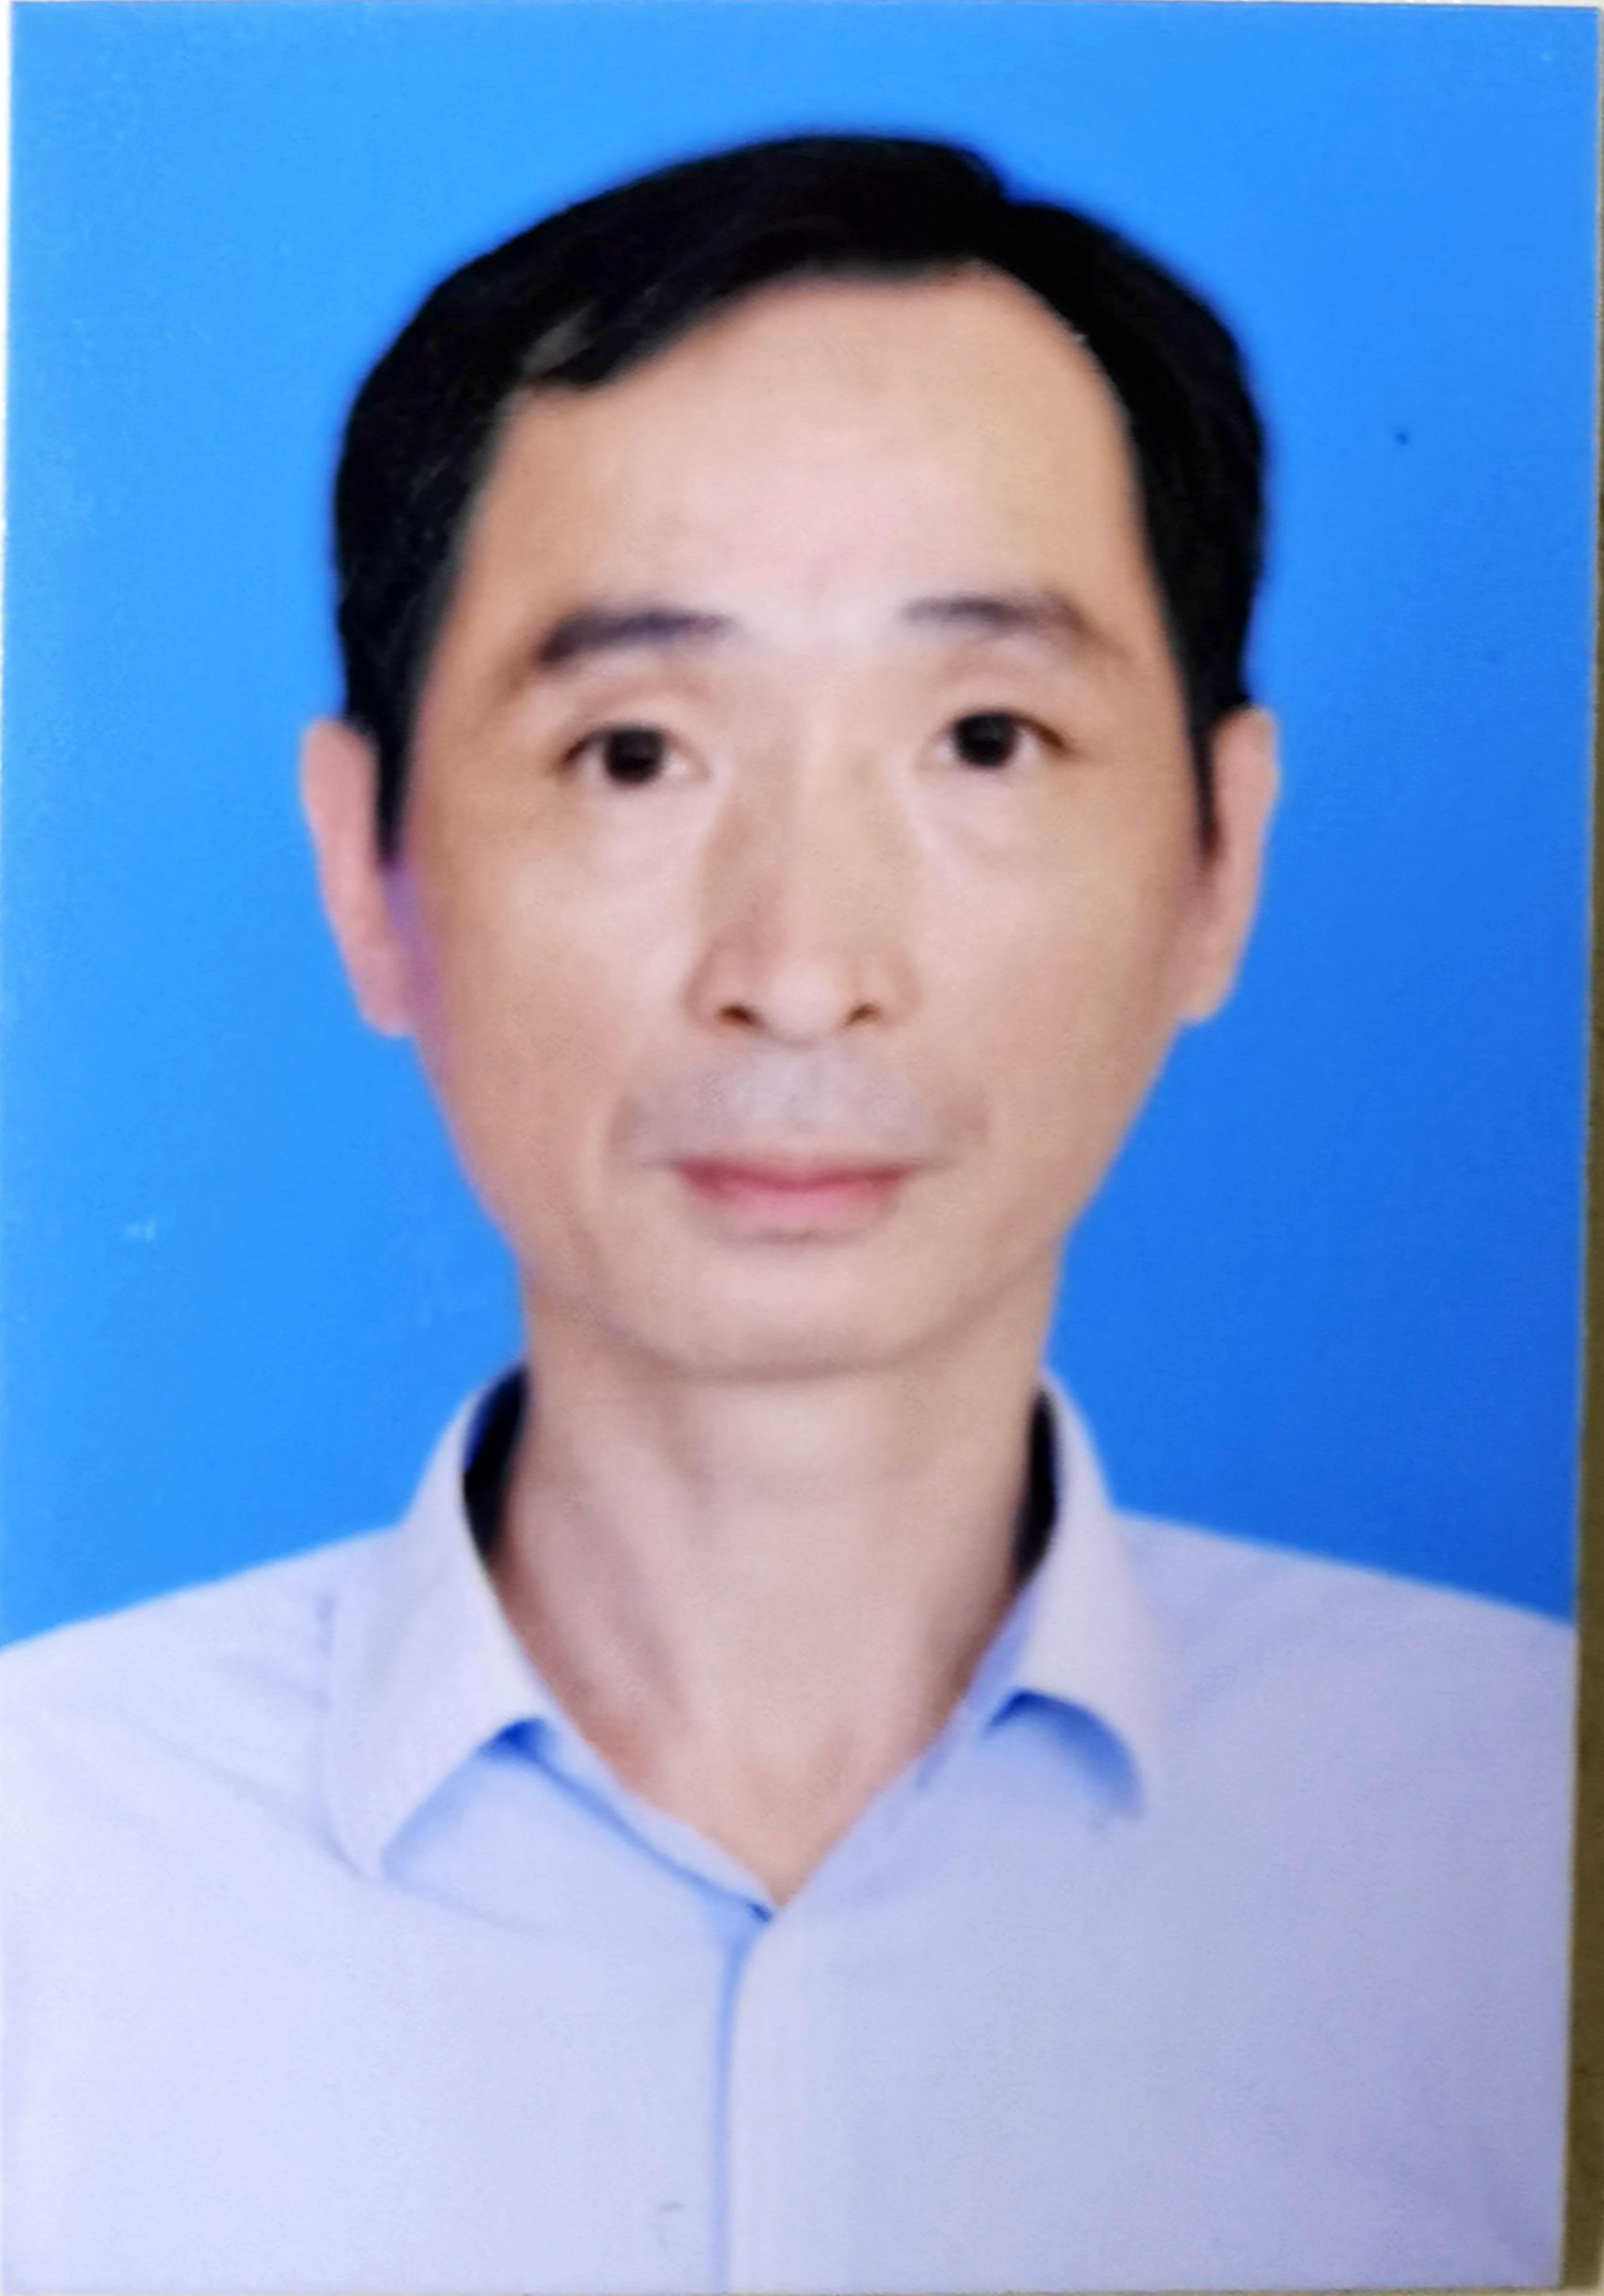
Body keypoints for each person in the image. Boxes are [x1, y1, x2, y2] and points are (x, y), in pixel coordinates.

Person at [0, 134, 1574, 2296]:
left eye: (986, 737)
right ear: (368, 869)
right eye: (637, 753)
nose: (806, 965)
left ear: (1223, 855)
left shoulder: (1523, 1847)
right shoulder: (47, 1877)